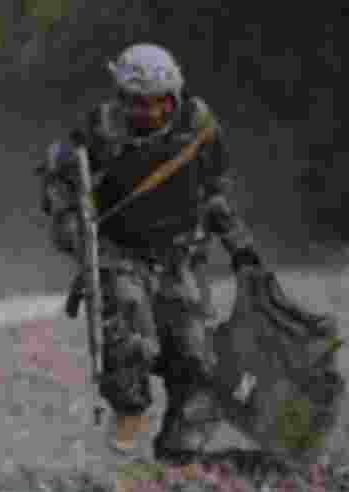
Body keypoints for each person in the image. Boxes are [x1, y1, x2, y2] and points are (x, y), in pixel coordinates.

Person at [38, 43, 262, 465]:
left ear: (174, 95)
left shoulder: (199, 125)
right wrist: (73, 230)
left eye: (160, 102)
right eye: (140, 104)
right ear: (123, 98)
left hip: (180, 256)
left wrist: (241, 247)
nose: (152, 113)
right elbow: (59, 187)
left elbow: (214, 192)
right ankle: (130, 407)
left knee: (200, 361)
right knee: (131, 337)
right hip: (119, 252)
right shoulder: (99, 129)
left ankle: (178, 457)